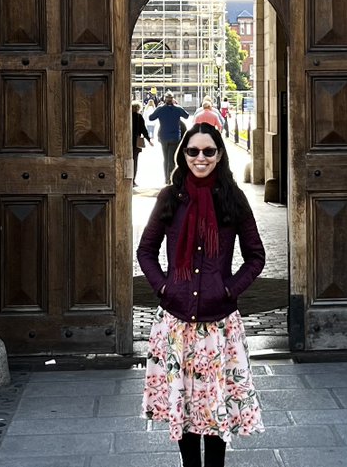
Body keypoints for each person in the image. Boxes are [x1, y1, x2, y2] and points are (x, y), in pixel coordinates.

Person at [136, 123, 264, 466]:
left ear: (219, 155)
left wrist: (228, 290)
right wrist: (163, 286)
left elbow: (256, 256)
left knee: (214, 408)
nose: (200, 157)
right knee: (187, 409)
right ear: (184, 155)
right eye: (193, 151)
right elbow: (145, 251)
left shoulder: (233, 198)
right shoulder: (170, 197)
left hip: (218, 327)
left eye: (208, 151)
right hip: (176, 324)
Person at [150, 91, 190, 182]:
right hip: (175, 136)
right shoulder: (178, 109)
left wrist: (158, 109)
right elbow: (187, 116)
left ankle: (166, 178)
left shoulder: (160, 109)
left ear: (165, 99)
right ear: (173, 99)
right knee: (171, 158)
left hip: (163, 136)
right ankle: (171, 177)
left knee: (165, 158)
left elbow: (151, 117)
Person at [131, 100, 151, 187]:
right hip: (136, 143)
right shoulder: (139, 117)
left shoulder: (127, 117)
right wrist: (149, 140)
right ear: (138, 108)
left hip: (127, 142)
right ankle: (133, 180)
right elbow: (144, 130)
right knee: (134, 162)